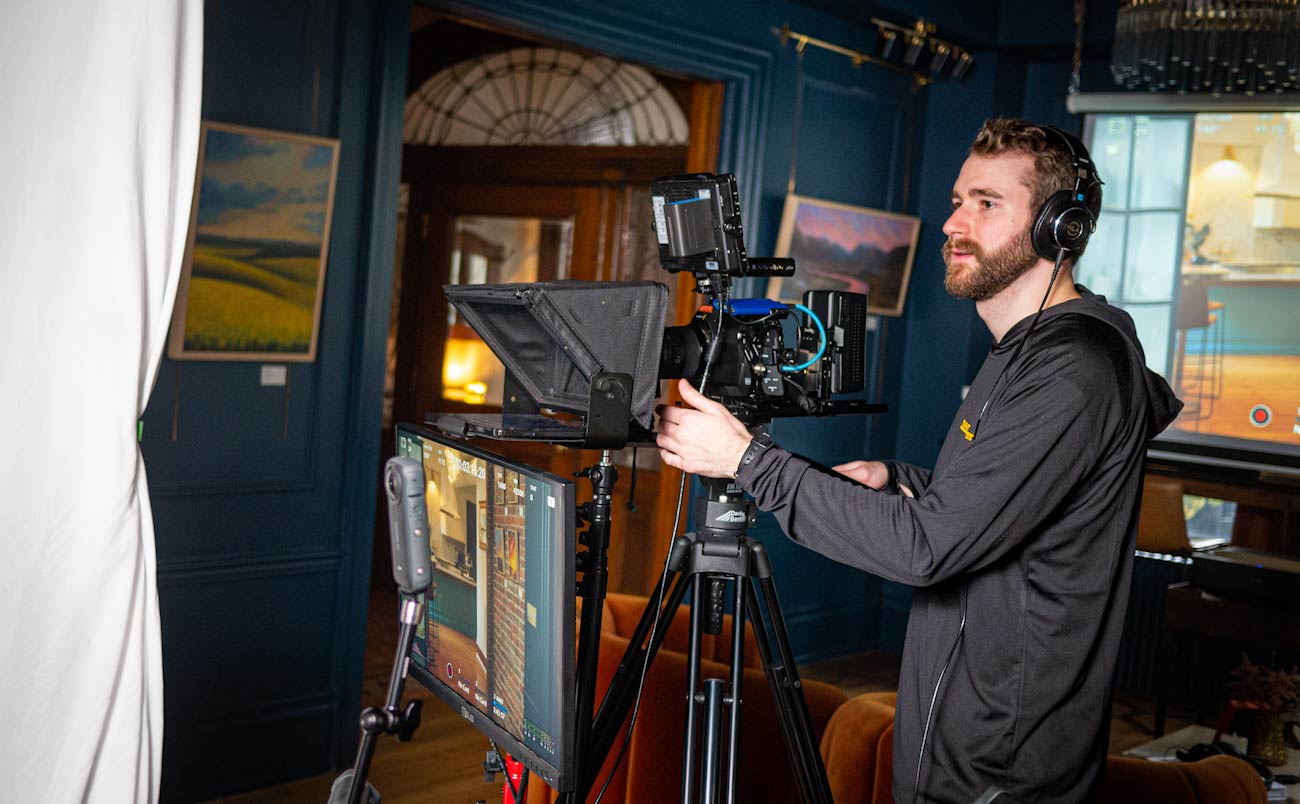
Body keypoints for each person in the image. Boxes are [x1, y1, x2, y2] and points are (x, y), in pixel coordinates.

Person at [654, 118, 1182, 804]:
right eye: (958, 201)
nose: (954, 223)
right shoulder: (1026, 352)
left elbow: (929, 549)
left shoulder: (1071, 369)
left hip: (999, 775)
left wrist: (745, 459)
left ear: (1061, 227)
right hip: (960, 744)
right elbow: (1007, 507)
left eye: (986, 203)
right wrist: (898, 480)